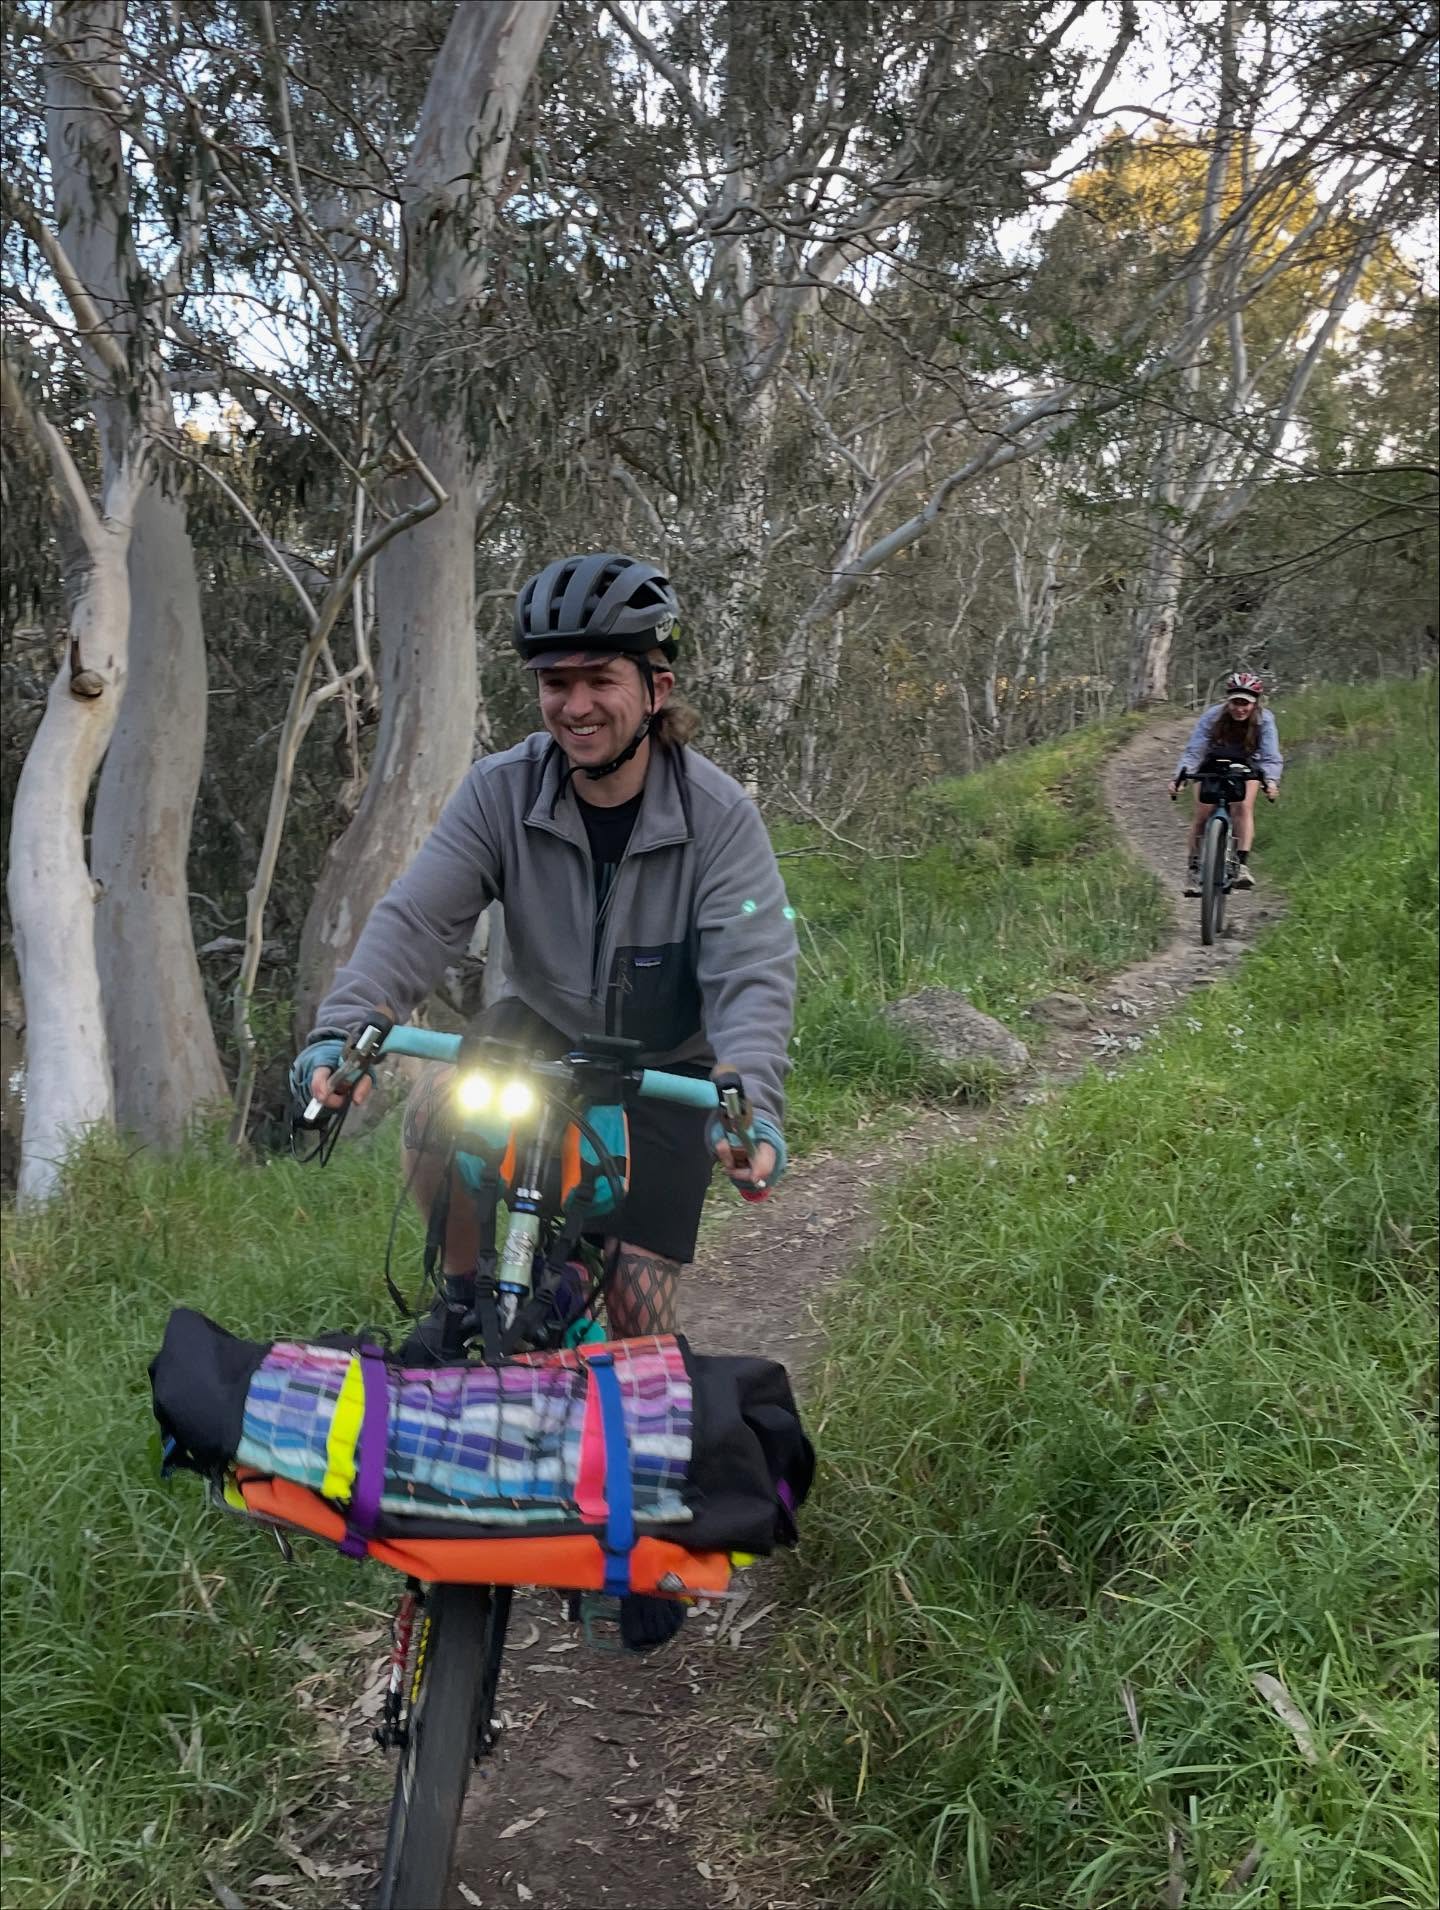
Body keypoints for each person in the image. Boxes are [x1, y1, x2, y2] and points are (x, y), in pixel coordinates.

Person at [1169, 670, 1282, 894]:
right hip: (1212, 763)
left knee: (1243, 807)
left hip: (1246, 766)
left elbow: (1270, 756)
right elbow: (1194, 751)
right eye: (1235, 702)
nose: (1240, 708)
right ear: (1227, 701)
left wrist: (1270, 782)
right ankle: (1193, 869)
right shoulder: (1212, 717)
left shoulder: (1264, 720)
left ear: (1255, 703)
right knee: (1202, 814)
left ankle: (1241, 865)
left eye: (1245, 704)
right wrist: (1180, 777)